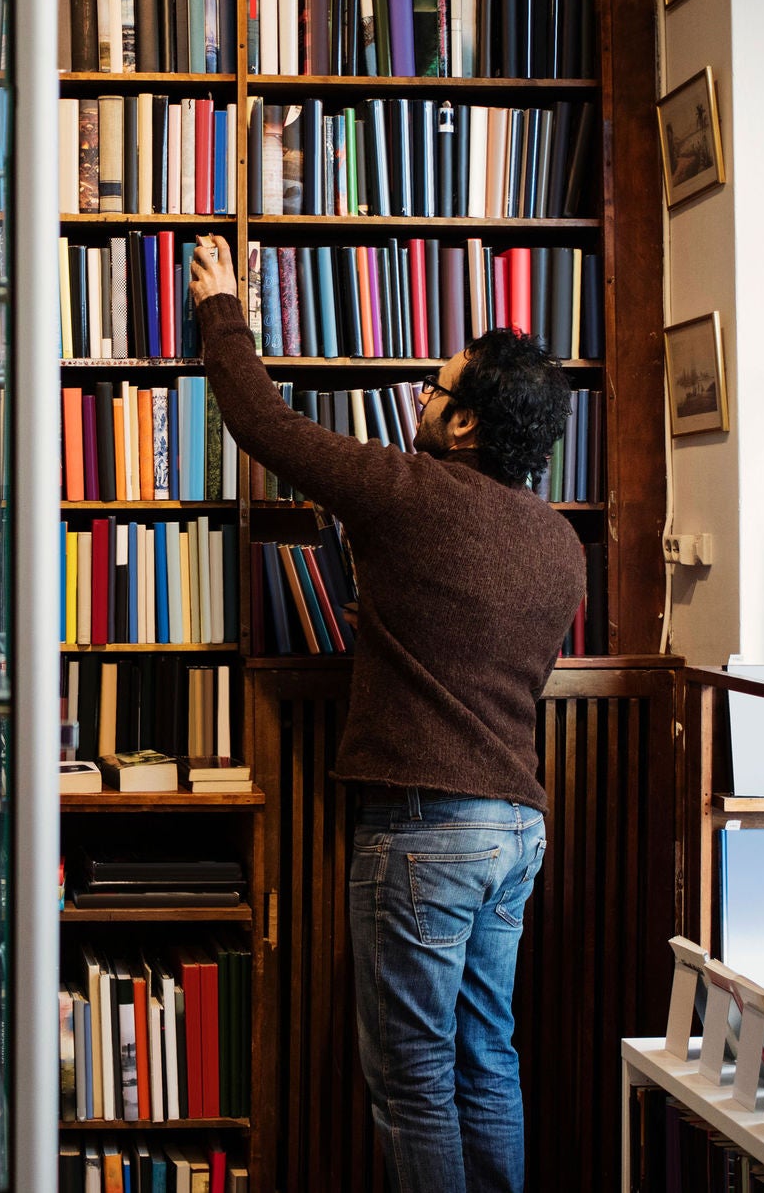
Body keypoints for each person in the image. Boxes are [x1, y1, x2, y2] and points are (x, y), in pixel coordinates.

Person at [187, 236, 583, 1193]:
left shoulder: (408, 495)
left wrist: (223, 306)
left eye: (437, 391)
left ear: (466, 427)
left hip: (424, 828)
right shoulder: (564, 545)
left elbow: (264, 424)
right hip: (515, 829)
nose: (420, 399)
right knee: (487, 1058)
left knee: (411, 1079)